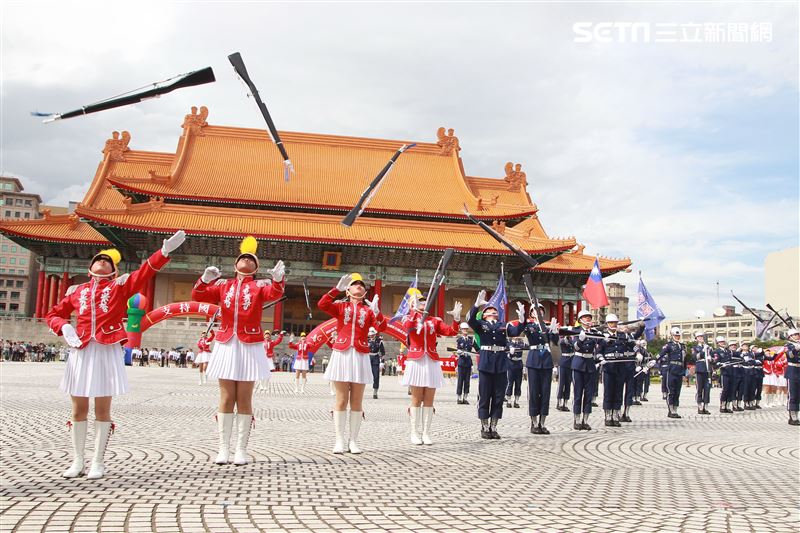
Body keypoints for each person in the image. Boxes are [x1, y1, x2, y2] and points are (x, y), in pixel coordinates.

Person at [46, 230, 186, 479]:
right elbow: (53, 314)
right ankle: (78, 460)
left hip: (106, 350)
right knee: (78, 409)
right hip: (81, 350)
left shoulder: (119, 286)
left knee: (102, 408)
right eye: (97, 259)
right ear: (90, 268)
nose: (101, 261)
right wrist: (64, 326)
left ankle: (98, 461)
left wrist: (163, 252)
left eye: (106, 260)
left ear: (113, 270)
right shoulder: (76, 291)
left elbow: (144, 273)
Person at [191, 236, 285, 466]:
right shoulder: (223, 285)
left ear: (256, 267)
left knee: (244, 397)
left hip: (250, 344)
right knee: (226, 396)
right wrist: (204, 280)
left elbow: (275, 294)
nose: (245, 260)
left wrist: (278, 280)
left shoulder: (260, 286)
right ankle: (223, 448)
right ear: (235, 265)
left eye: (250, 258)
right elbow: (198, 296)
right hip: (226, 342)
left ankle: (241, 449)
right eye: (242, 257)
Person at [319, 273, 385, 454]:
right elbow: (322, 305)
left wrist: (377, 313)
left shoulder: (369, 311)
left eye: (362, 285)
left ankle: (353, 441)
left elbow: (382, 328)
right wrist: (335, 291)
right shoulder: (341, 307)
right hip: (342, 353)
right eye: (355, 284)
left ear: (365, 292)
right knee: (341, 400)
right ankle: (339, 440)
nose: (359, 286)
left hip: (361, 354)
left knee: (357, 401)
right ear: (348, 291)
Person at [400, 290, 460, 444]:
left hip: (431, 360)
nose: (423, 302)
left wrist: (457, 319)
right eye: (419, 300)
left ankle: (426, 433)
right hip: (416, 360)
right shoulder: (409, 317)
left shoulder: (435, 320)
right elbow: (408, 326)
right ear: (413, 304)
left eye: (424, 300)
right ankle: (414, 432)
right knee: (416, 398)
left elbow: (451, 331)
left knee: (429, 399)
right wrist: (414, 312)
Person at [467, 290, 523, 440]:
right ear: (484, 315)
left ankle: (494, 426)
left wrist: (522, 319)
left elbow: (516, 331)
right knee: (485, 395)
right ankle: (484, 426)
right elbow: (470, 321)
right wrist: (476, 305)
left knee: (498, 397)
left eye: (494, 310)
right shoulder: (481, 325)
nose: (493, 311)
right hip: (486, 363)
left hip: (501, 363)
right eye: (489, 310)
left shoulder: (503, 326)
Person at [515, 304, 560, 434]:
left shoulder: (546, 327)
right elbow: (519, 330)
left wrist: (554, 332)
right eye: (535, 310)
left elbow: (555, 343)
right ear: (531, 313)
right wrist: (522, 319)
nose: (538, 312)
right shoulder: (529, 326)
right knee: (534, 393)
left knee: (545, 393)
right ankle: (534, 422)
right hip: (534, 360)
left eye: (541, 310)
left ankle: (542, 422)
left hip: (546, 361)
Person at [599, 314, 643, 425]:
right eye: (611, 323)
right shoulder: (603, 336)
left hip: (620, 367)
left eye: (615, 323)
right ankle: (608, 416)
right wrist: (600, 359)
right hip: (609, 367)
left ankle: (615, 415)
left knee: (618, 391)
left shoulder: (622, 335)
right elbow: (599, 351)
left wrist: (637, 353)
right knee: (609, 392)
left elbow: (632, 344)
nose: (613, 325)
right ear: (608, 324)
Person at [571, 310, 602, 430]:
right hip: (578, 363)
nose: (588, 319)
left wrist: (604, 337)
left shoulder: (594, 332)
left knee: (589, 394)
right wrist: (580, 339)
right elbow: (575, 346)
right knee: (578, 393)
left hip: (590, 364)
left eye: (589, 317)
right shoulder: (575, 331)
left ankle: (585, 420)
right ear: (580, 320)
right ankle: (577, 419)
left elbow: (601, 345)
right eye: (585, 317)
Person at [657, 327, 687, 419]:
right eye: (675, 335)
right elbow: (661, 354)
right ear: (672, 336)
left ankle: (675, 409)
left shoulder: (682, 346)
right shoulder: (668, 345)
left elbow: (685, 360)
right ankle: (671, 410)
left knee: (678, 391)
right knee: (671, 391)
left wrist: (684, 372)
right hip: (671, 370)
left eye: (678, 335)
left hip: (680, 370)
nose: (677, 337)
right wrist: (654, 360)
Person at [692, 331, 712, 414]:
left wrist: (711, 358)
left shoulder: (709, 348)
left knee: (707, 389)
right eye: (699, 337)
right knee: (699, 388)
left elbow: (714, 357)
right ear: (696, 339)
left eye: (702, 337)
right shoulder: (695, 348)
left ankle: (706, 406)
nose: (701, 338)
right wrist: (703, 351)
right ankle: (700, 405)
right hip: (700, 369)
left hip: (707, 370)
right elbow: (695, 357)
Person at [713, 336, 734, 413]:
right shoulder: (716, 351)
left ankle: (727, 405)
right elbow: (715, 362)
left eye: (723, 342)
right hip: (724, 372)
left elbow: (731, 360)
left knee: (730, 389)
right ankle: (722, 405)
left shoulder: (728, 351)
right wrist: (721, 364)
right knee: (725, 389)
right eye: (721, 342)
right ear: (718, 343)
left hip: (730, 371)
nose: (723, 343)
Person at [555, 330, 575, 412]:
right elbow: (561, 342)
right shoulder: (563, 339)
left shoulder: (573, 340)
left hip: (571, 363)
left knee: (568, 384)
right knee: (561, 383)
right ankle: (559, 402)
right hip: (563, 362)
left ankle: (565, 403)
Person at [784, 329, 800, 426]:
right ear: (790, 337)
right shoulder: (788, 345)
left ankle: (796, 415)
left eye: (798, 334)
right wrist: (796, 349)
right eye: (795, 334)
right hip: (792, 371)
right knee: (793, 395)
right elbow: (789, 355)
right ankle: (792, 417)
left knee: (798, 396)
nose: (797, 336)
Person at [455, 323, 474, 404]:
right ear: (461, 330)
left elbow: (477, 349)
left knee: (467, 381)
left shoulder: (471, 340)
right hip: (461, 363)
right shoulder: (459, 340)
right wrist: (459, 352)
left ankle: (465, 398)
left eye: (466, 329)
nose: (465, 331)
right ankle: (459, 398)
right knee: (460, 381)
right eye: (463, 329)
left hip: (468, 363)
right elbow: (457, 350)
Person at [505, 334, 525, 409]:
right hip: (511, 364)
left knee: (518, 383)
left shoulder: (521, 343)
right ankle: (509, 401)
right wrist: (509, 351)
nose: (516, 336)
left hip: (519, 364)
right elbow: (505, 350)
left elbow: (525, 347)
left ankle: (516, 401)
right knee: (510, 382)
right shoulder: (508, 343)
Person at [368, 328, 385, 399]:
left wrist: (382, 362)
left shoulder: (379, 341)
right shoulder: (366, 340)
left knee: (376, 376)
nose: (371, 336)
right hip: (367, 358)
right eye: (370, 335)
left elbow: (383, 352)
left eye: (372, 335)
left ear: (375, 334)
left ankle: (375, 392)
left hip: (375, 358)